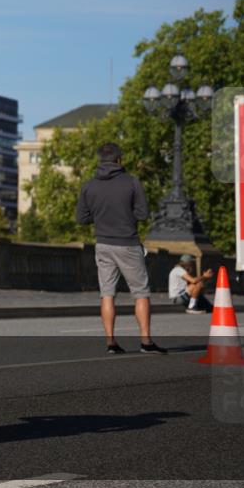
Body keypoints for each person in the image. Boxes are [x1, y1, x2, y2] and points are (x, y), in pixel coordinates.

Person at [76, 143, 167, 355]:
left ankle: (111, 342)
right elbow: (143, 214)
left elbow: (82, 218)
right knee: (141, 293)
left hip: (103, 245)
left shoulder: (89, 186)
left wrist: (100, 217)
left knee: (107, 294)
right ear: (120, 160)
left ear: (100, 160)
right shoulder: (132, 182)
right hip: (128, 243)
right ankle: (146, 341)